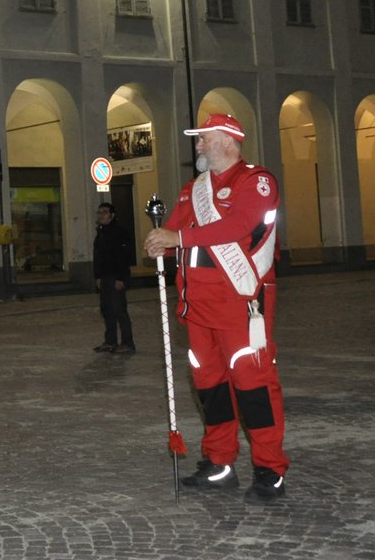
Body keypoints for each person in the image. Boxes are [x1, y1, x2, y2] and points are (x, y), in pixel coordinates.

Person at [143, 113, 287, 501]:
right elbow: (174, 230)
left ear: (227, 139)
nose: (199, 146)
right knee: (211, 388)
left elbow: (238, 226)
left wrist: (177, 236)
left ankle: (269, 468)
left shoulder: (256, 181)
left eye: (204, 139)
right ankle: (220, 462)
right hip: (197, 307)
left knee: (253, 386)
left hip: (240, 303)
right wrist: (158, 240)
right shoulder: (194, 190)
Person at [92, 201, 136, 354]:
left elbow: (124, 257)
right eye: (99, 212)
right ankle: (110, 341)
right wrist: (97, 276)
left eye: (104, 212)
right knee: (107, 310)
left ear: (112, 215)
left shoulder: (120, 232)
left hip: (116, 277)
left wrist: (121, 278)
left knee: (119, 310)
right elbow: (98, 257)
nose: (101, 215)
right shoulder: (101, 232)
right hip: (104, 277)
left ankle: (127, 343)